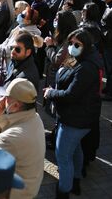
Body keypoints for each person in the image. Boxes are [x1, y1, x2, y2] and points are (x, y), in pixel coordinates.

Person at [43, 29, 103, 198]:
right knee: (75, 150)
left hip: (76, 119)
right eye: (70, 43)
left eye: (77, 44)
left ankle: (64, 191)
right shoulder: (77, 59)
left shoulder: (86, 67)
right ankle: (75, 181)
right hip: (73, 116)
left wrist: (51, 93)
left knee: (63, 156)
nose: (72, 47)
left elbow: (71, 94)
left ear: (86, 46)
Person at [0, 78, 45, 198]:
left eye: (5, 97)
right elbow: (2, 131)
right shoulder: (34, 117)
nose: (1, 100)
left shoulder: (11, 138)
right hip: (28, 186)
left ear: (15, 105)